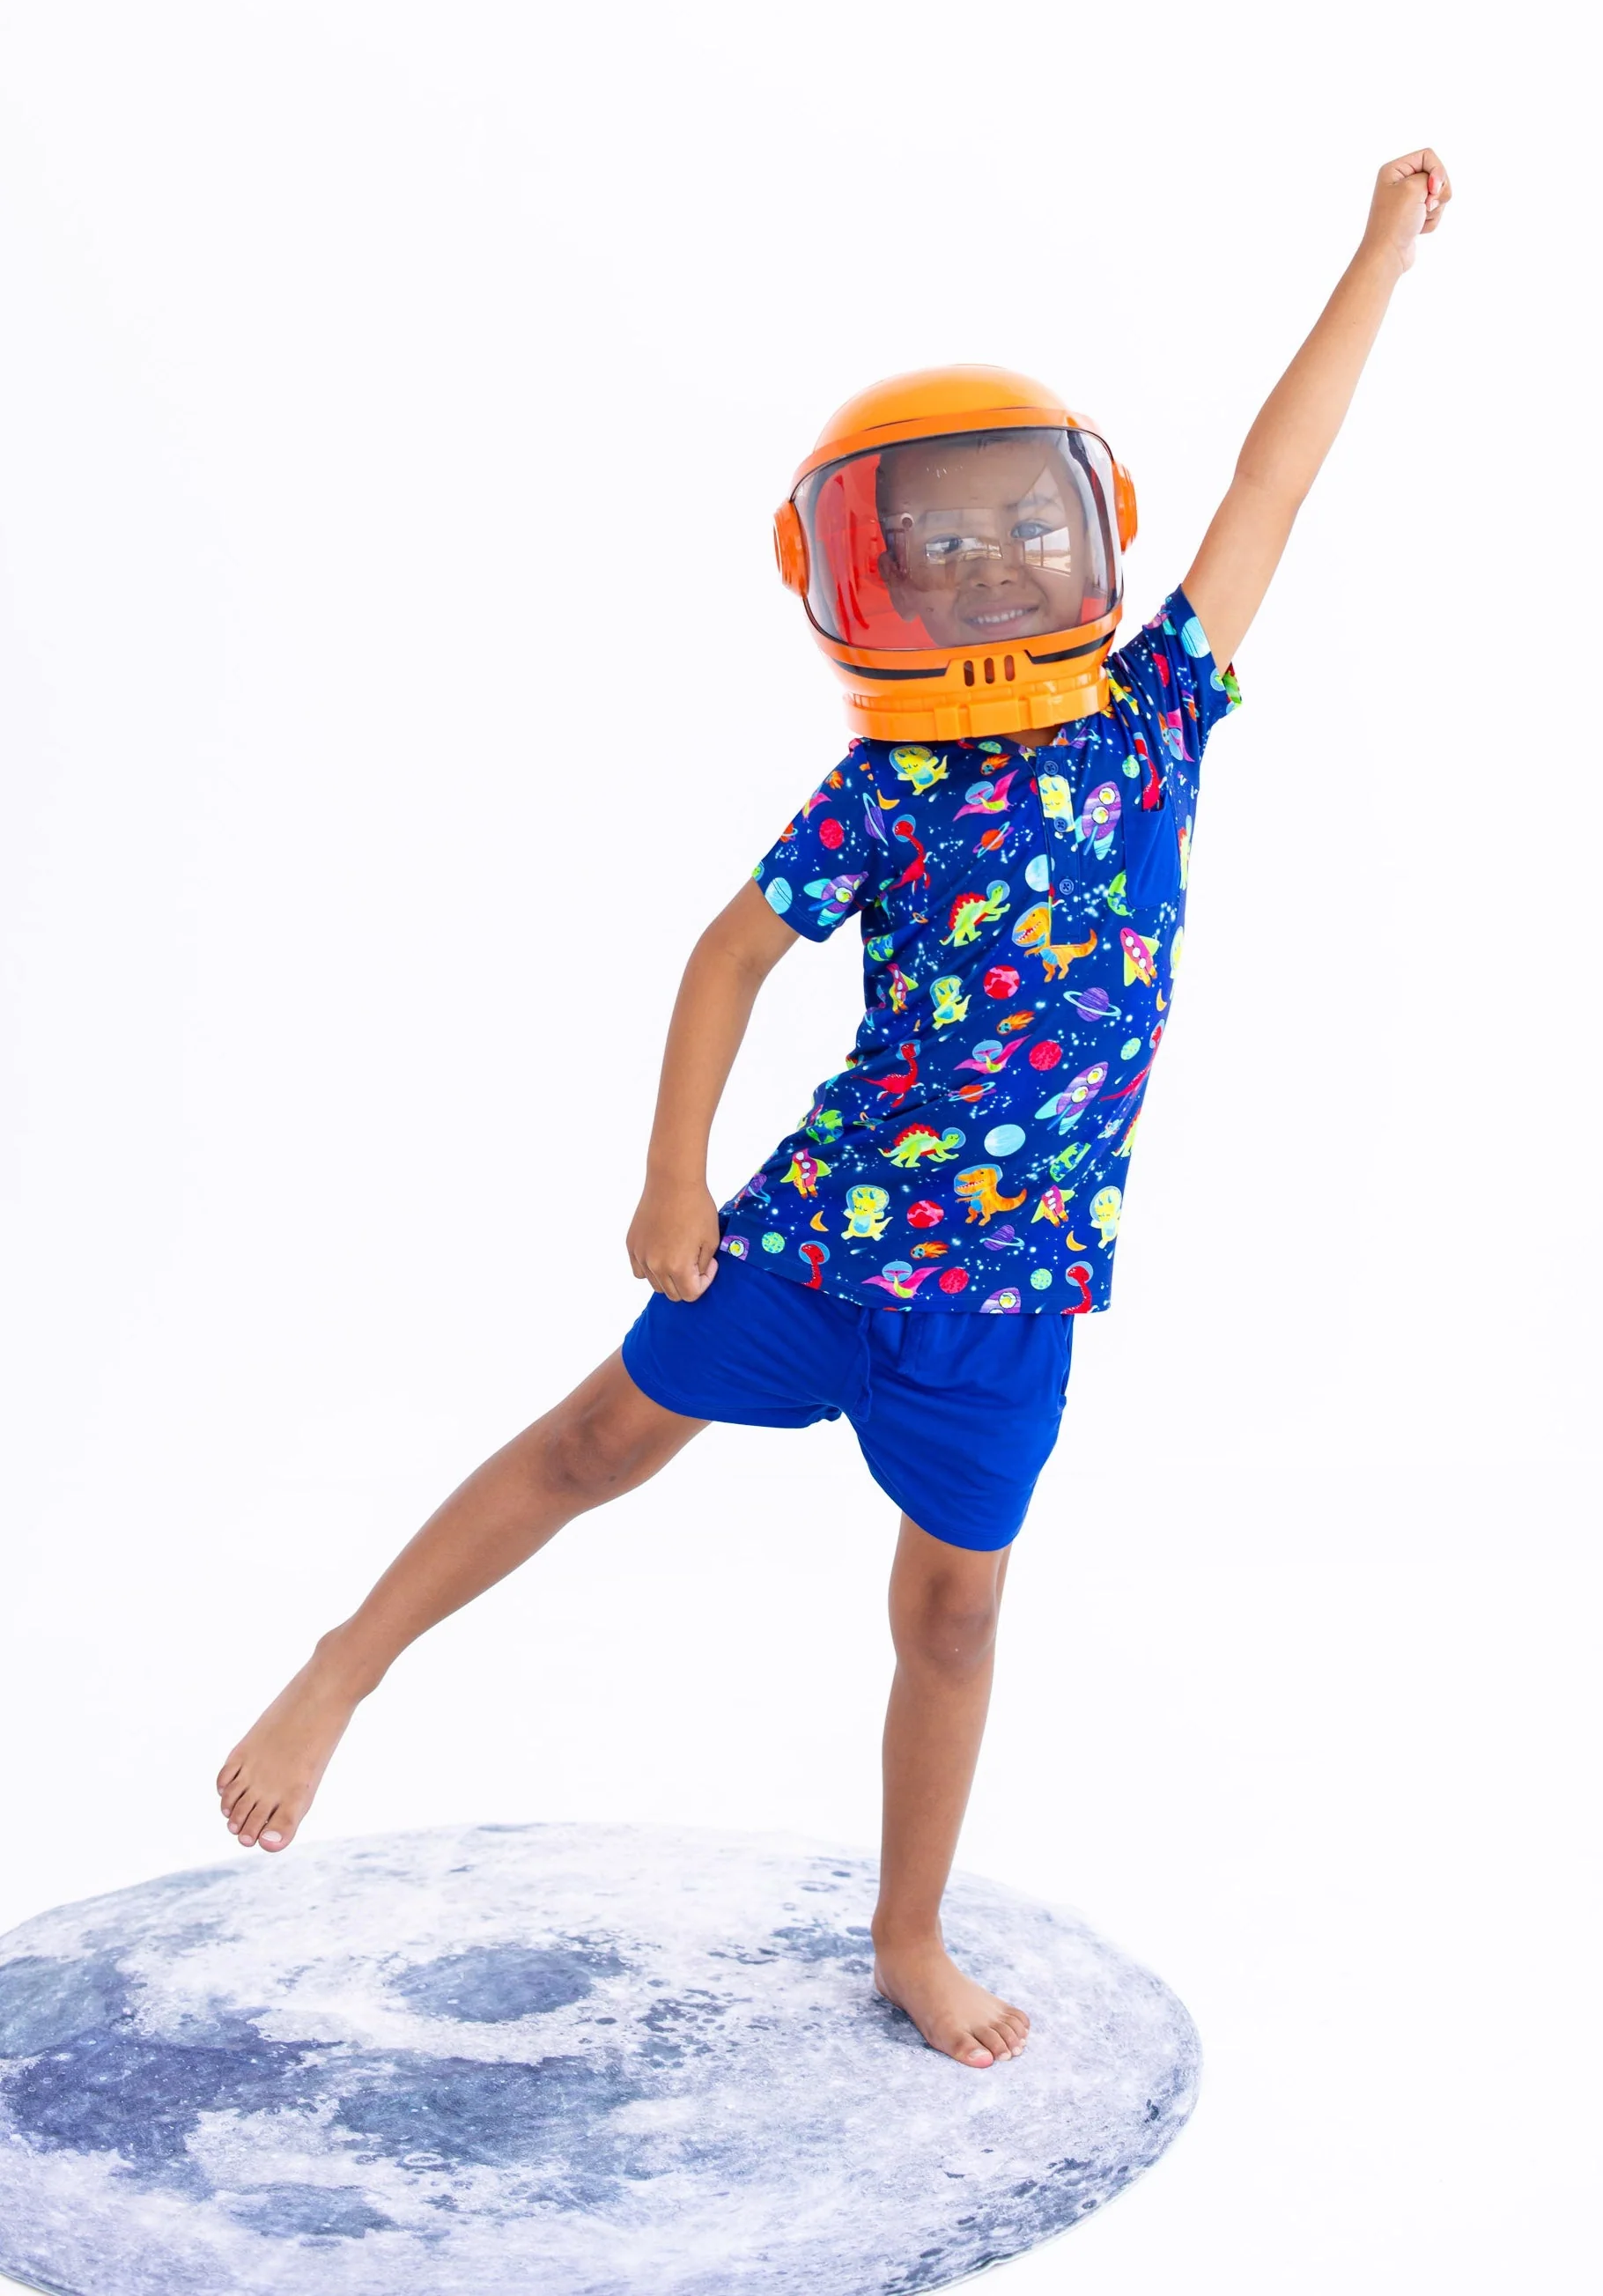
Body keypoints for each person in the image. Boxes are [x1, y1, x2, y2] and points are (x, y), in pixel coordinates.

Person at [216, 150, 1451, 2071]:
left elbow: (1272, 482)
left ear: (1091, 532)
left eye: (1021, 528)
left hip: (1011, 1291)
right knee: (592, 1445)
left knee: (951, 1619)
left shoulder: (1156, 713)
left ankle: (906, 1932)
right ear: (864, 580)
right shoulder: (883, 790)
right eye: (938, 547)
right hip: (824, 1233)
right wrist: (672, 1180)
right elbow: (728, 957)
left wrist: (1376, 253)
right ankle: (340, 1666)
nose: (990, 565)